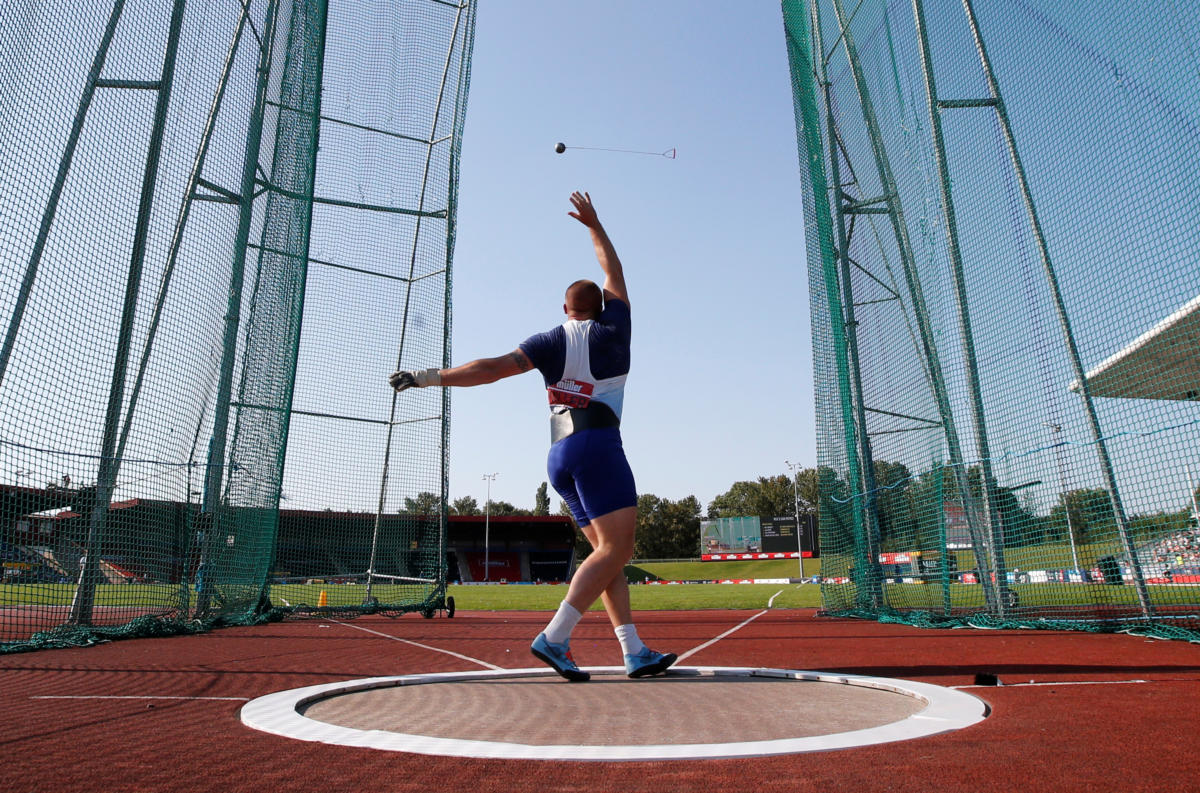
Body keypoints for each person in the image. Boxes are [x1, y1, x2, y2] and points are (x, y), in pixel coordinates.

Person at [389, 190, 676, 682]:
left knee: (605, 554)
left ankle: (634, 651)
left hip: (559, 454)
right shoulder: (616, 330)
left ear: (565, 307)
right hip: (598, 445)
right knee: (618, 550)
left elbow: (491, 370)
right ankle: (556, 637)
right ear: (603, 306)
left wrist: (426, 377)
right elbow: (616, 273)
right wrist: (594, 225)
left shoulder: (547, 340)